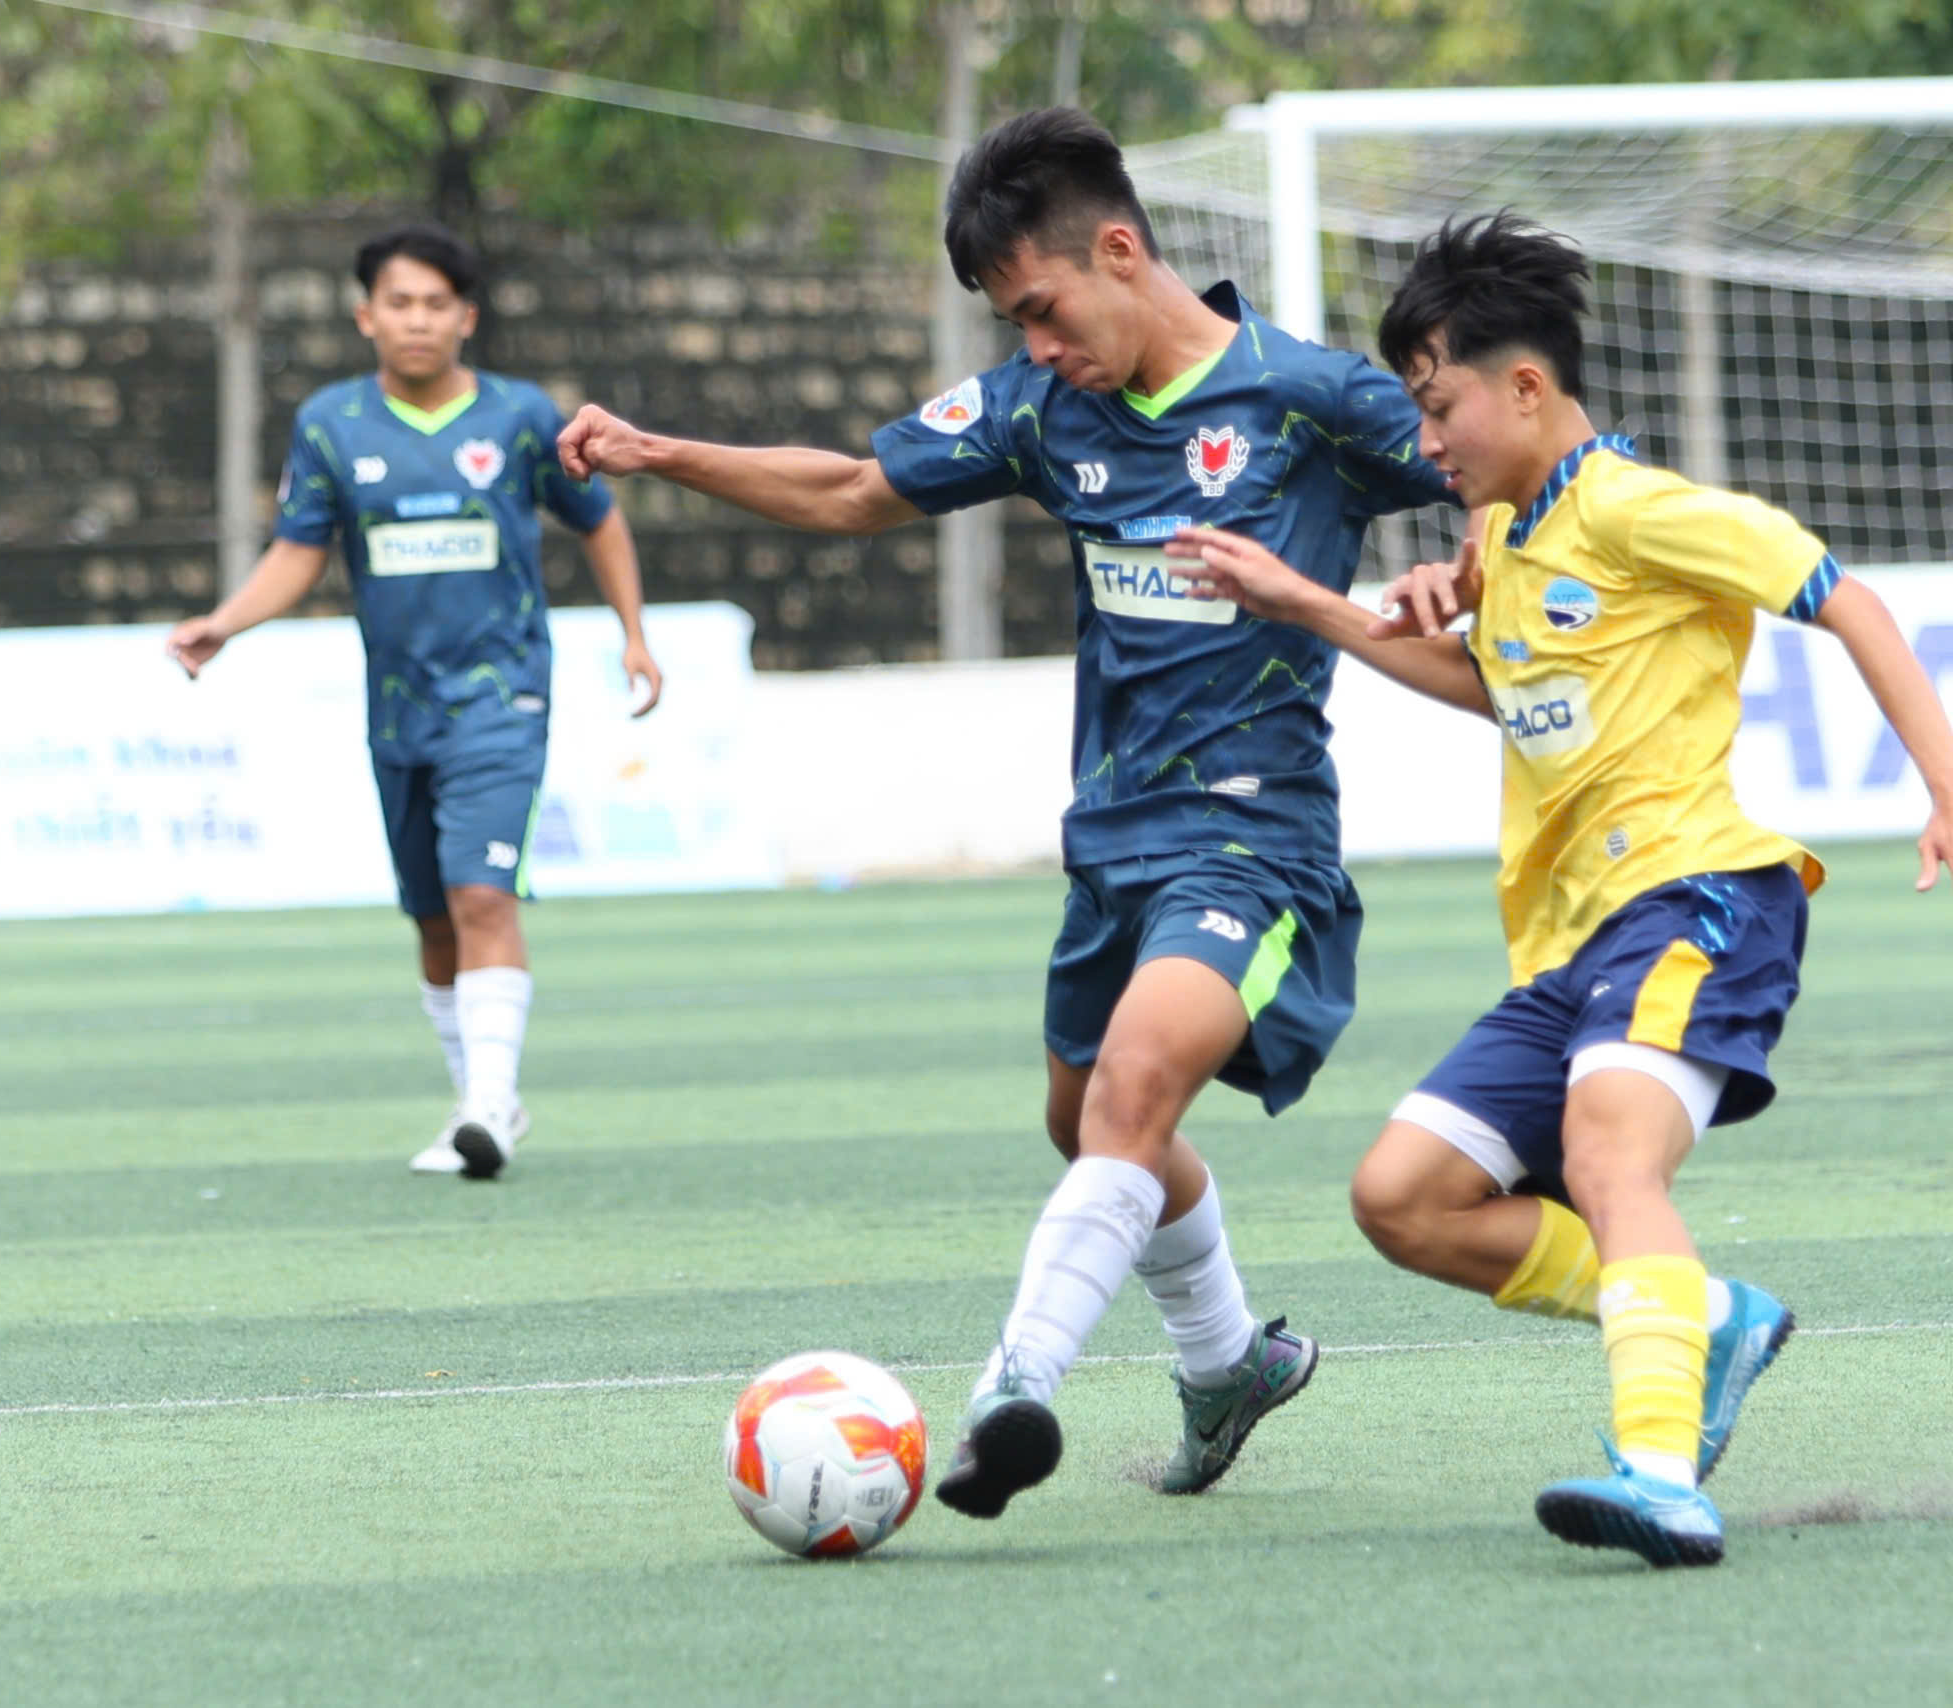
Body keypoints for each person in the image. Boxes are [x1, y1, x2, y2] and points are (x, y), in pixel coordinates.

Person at [557, 108, 1455, 1518]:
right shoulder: (1047, 412)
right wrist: (660, 453)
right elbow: (857, 489)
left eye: (1039, 308)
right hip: (1108, 847)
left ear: (1119, 249)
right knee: (1087, 1125)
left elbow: (1523, 474)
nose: (1032, 342)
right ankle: (1227, 1362)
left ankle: (1010, 1392)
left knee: (1135, 1092)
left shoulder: (1310, 400)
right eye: (1011, 320)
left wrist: (1473, 568)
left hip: (1256, 839)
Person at [1170, 212, 1953, 1568]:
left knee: (1608, 1161)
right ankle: (1704, 1316)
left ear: (1526, 387)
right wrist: (1310, 602)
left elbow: (1845, 600)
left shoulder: (1642, 508)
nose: (1429, 441)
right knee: (1403, 1198)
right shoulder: (1512, 542)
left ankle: (1660, 1474)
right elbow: (1494, 691)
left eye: (1439, 403)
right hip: (1571, 949)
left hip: (1702, 897)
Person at [168, 223, 662, 1180]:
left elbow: (598, 521)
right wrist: (226, 623)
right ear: (366, 316)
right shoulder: (330, 425)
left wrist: (633, 633)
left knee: (483, 894)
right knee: (434, 917)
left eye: (438, 303)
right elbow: (299, 553)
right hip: (399, 709)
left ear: (467, 318)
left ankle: (486, 1102)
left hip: (502, 696)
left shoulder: (520, 417)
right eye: (400, 302)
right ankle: (485, 1100)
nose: (419, 319)